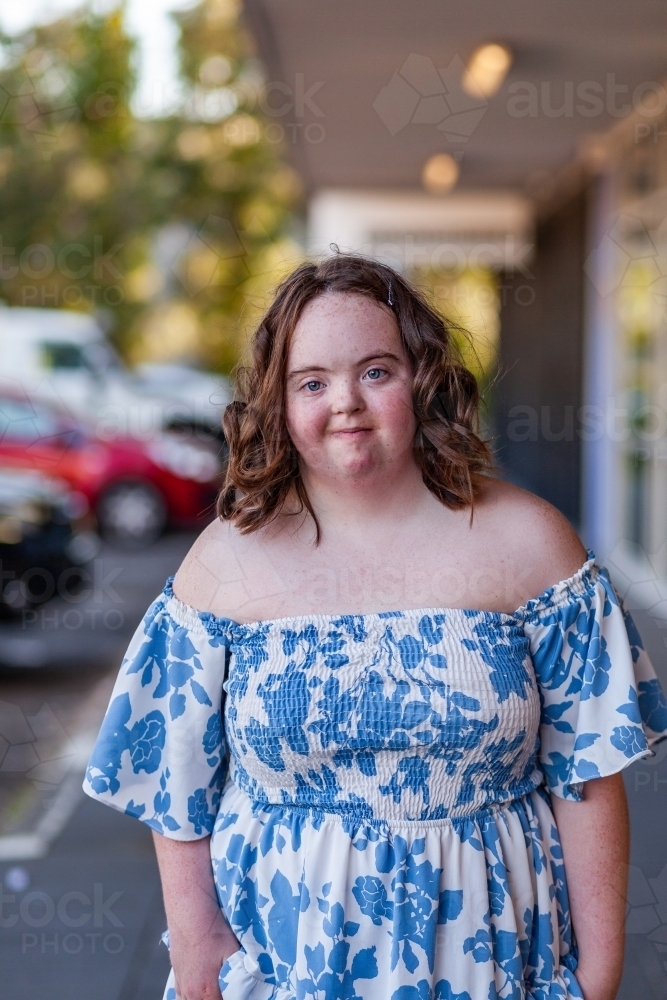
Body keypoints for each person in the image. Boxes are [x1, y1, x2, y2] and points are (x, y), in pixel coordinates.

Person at [84, 254, 667, 1000]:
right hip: (285, 962)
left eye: (376, 371)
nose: (345, 403)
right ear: (279, 401)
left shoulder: (531, 545)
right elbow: (175, 788)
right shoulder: (224, 564)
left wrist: (598, 974)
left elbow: (587, 773)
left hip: (491, 958)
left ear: (422, 380)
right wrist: (201, 963)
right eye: (312, 382)